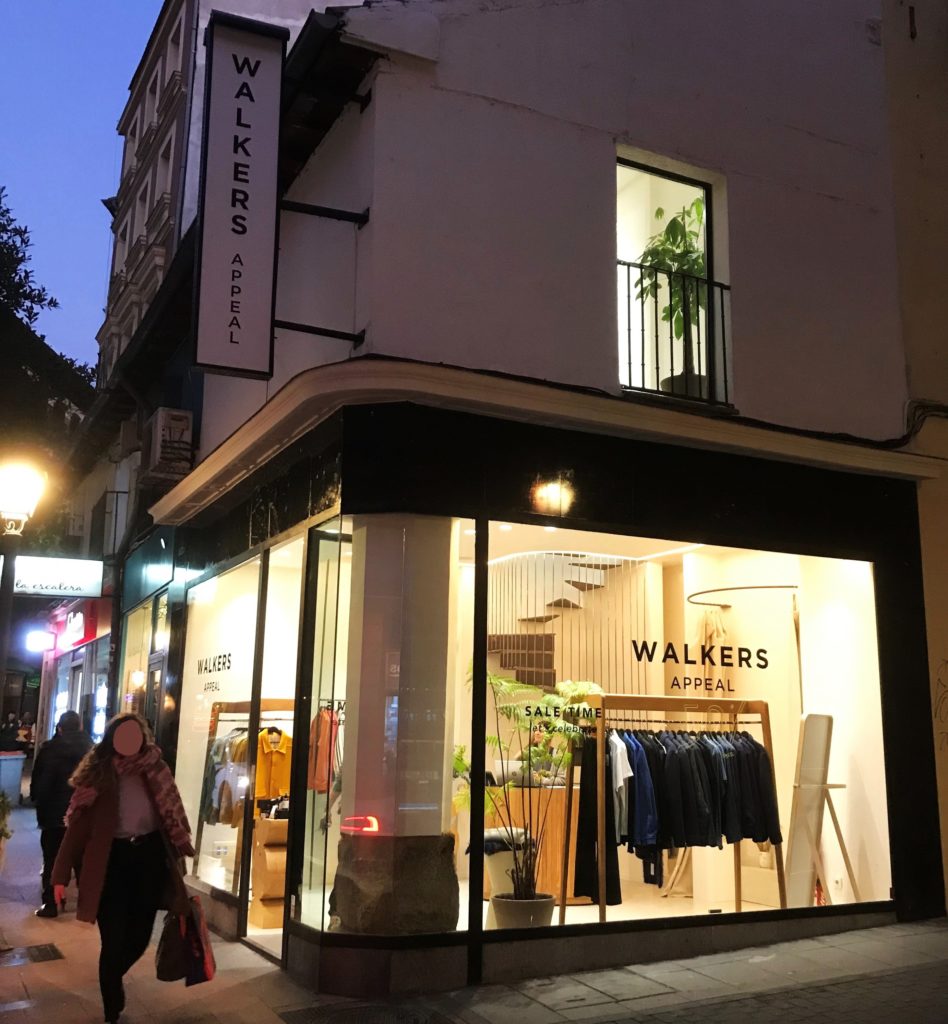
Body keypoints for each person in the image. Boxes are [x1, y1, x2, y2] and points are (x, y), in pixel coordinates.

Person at [51, 713, 194, 1024]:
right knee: (113, 940)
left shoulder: (156, 770)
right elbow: (76, 831)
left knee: (140, 937)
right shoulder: (98, 777)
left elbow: (172, 810)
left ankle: (111, 978)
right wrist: (59, 876)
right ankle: (111, 1004)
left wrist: (180, 842)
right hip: (110, 865)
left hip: (148, 861)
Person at [29, 710, 93, 918]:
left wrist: (39, 804)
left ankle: (51, 904)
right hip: (81, 815)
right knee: (82, 861)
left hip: (53, 816)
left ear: (60, 728)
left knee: (52, 859)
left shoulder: (49, 750)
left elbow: (40, 783)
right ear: (80, 727)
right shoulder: (91, 750)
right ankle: (86, 905)